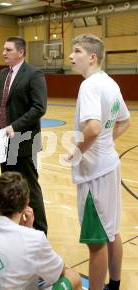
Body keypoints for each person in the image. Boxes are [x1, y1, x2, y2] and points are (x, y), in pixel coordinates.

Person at [67, 34, 130, 290]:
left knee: (97, 241)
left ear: (92, 57)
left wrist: (77, 151)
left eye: (77, 51)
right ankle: (113, 286)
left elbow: (92, 129)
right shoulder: (111, 83)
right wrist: (105, 140)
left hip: (95, 173)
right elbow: (125, 121)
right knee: (112, 231)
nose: (71, 56)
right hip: (110, 165)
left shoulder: (90, 85)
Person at [0, 171, 82, 290]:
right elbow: (60, 271)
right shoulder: (34, 239)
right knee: (73, 277)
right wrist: (29, 231)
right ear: (27, 203)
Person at [0, 36, 48, 235]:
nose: (3, 53)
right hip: (2, 142)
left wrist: (14, 127)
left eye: (8, 50)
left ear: (21, 52)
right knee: (8, 188)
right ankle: (13, 227)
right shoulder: (2, 74)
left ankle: (40, 231)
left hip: (23, 141)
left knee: (30, 189)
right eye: (4, 49)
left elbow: (39, 108)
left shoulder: (34, 74)